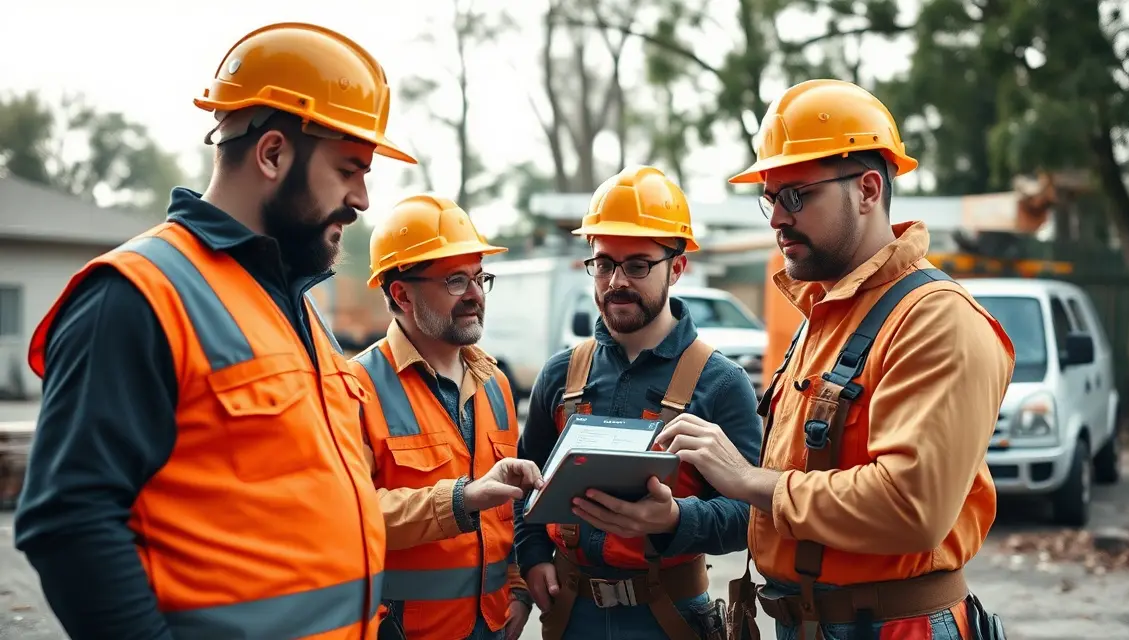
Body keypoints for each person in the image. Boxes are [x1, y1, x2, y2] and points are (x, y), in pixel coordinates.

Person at [14, 22, 416, 640]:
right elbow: (70, 525)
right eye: (349, 169)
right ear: (274, 153)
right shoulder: (135, 295)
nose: (362, 198)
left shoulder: (297, 308)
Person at [655, 78, 1016, 640]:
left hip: (896, 627)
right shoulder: (826, 317)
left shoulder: (934, 319)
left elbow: (912, 506)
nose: (776, 218)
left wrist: (753, 482)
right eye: (769, 198)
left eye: (796, 195)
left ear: (868, 188)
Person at [514, 165, 764, 639]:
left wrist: (675, 518)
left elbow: (751, 515)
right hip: (571, 615)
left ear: (678, 266)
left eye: (637, 265)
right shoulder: (560, 374)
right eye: (604, 263)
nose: (615, 282)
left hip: (670, 615)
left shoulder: (721, 383)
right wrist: (529, 560)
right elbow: (528, 485)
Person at [348, 194, 543, 640]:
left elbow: (507, 513)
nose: (475, 295)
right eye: (456, 280)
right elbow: (351, 515)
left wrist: (516, 588)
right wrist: (461, 499)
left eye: (480, 277)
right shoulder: (357, 387)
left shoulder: (494, 384)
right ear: (401, 293)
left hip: (494, 627)